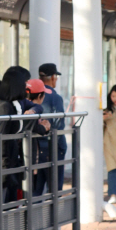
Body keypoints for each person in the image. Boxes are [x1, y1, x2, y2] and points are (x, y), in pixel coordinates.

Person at [0, 68, 30, 205]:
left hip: (8, 166)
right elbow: (0, 142)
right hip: (3, 168)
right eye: (24, 84)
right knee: (2, 207)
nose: (26, 88)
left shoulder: (9, 105)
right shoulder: (4, 107)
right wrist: (6, 171)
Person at [39, 62, 67, 191]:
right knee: (54, 190)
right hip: (53, 147)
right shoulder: (55, 97)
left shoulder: (33, 95)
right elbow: (59, 124)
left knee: (35, 191)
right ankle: (53, 212)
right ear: (53, 77)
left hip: (35, 148)